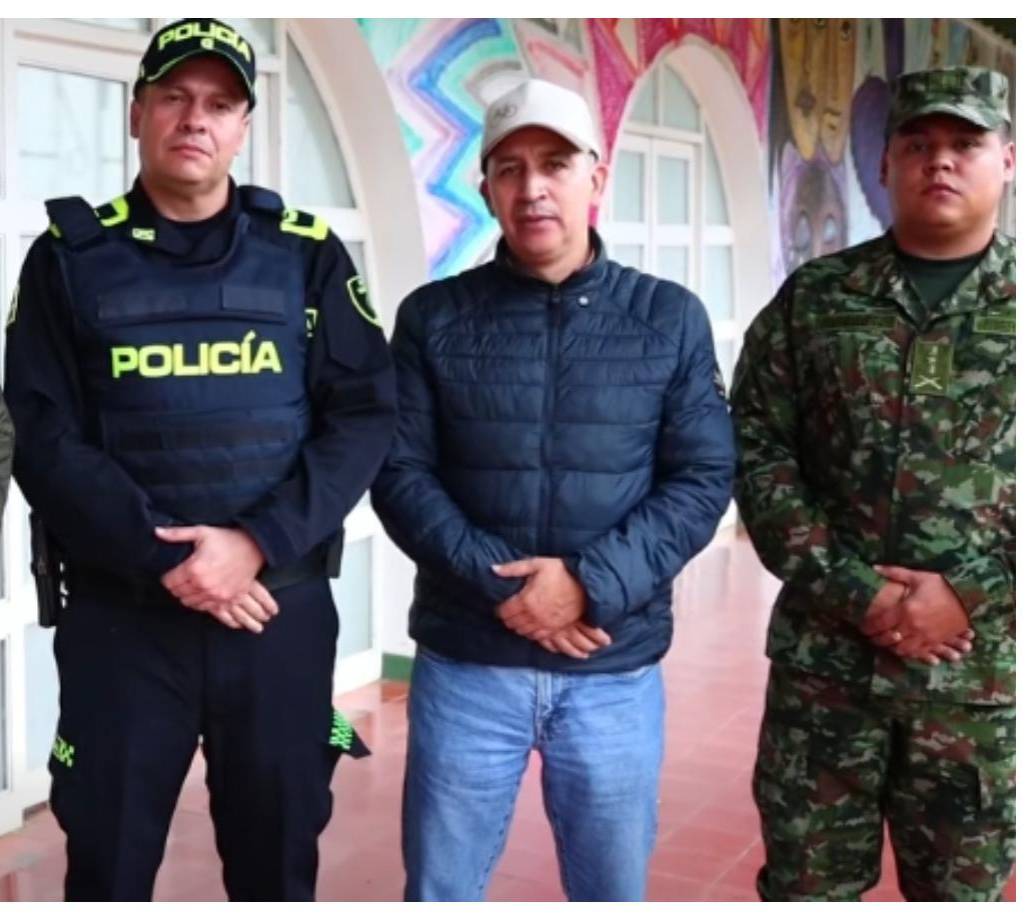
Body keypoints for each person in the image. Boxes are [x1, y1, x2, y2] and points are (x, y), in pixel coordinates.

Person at [2, 18, 395, 901]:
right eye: (174, 97)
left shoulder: (306, 256)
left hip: (274, 615)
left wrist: (253, 542)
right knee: (105, 864)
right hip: (124, 622)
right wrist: (170, 555)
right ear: (137, 112)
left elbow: (365, 415)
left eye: (219, 103)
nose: (195, 119)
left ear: (243, 126)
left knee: (279, 862)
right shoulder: (65, 261)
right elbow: (40, 432)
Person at [372, 77, 735, 901]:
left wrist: (586, 586)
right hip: (469, 664)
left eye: (556, 164)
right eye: (510, 167)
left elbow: (703, 476)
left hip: (611, 666)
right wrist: (503, 585)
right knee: (440, 891)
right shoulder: (434, 317)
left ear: (596, 178)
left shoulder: (668, 318)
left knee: (610, 893)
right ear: (488, 188)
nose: (533, 187)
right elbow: (399, 471)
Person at [730, 66, 1015, 901]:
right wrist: (861, 594)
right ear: (884, 163)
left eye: (966, 143)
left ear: (1009, 158)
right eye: (918, 144)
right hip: (826, 674)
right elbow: (755, 447)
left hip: (979, 681)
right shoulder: (816, 299)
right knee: (806, 891)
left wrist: (974, 592)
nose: (941, 162)